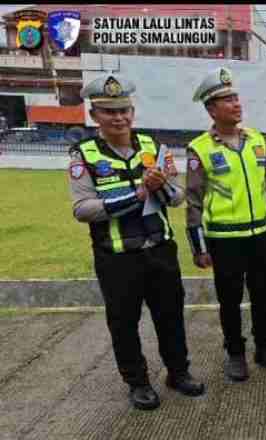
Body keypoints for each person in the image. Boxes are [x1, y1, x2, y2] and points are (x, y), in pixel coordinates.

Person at [69, 74, 205, 410]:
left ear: (132, 111)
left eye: (124, 110)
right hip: (117, 257)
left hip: (160, 249)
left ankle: (178, 372)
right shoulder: (84, 155)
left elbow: (176, 197)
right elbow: (82, 209)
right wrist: (137, 194)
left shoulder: (153, 147)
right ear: (94, 115)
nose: (119, 118)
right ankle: (138, 382)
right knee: (124, 323)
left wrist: (160, 185)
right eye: (109, 111)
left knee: (171, 317)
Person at [186, 67, 266, 381]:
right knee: (230, 301)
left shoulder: (256, 140)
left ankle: (264, 348)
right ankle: (235, 354)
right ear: (211, 109)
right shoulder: (200, 148)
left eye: (236, 97)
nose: (236, 103)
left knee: (263, 296)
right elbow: (193, 201)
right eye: (227, 99)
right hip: (224, 239)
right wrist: (199, 247)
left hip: (259, 236)